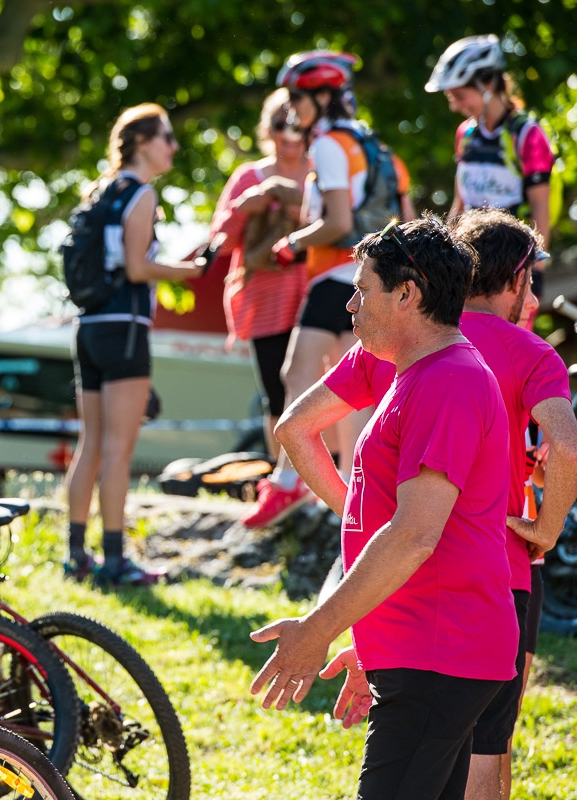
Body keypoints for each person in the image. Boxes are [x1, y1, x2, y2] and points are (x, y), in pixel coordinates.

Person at [277, 208, 577, 800]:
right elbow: (405, 528)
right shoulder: (418, 367)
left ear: (407, 294)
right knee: (472, 770)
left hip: (445, 646)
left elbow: (413, 534)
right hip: (433, 635)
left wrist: (318, 628)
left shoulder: (448, 377)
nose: (350, 307)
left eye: (361, 292)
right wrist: (369, 637)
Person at [242, 51, 416, 529]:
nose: (291, 108)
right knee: (355, 388)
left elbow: (337, 222)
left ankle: (289, 480)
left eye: (297, 98)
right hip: (371, 279)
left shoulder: (328, 147)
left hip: (335, 273)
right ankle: (351, 489)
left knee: (296, 372)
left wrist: (290, 244)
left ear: (321, 97)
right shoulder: (372, 145)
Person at [63, 103, 205, 587]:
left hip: (88, 327)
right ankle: (115, 560)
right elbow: (138, 268)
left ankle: (76, 554)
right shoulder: (141, 194)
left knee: (91, 444)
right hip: (125, 326)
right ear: (143, 143)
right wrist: (191, 271)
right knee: (118, 450)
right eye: (166, 137)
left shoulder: (100, 190)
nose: (173, 146)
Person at [207, 88, 310, 460]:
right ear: (270, 128)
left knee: (323, 389)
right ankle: (280, 474)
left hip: (315, 290)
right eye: (282, 123)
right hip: (265, 298)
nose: (290, 133)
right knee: (277, 392)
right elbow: (219, 240)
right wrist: (245, 207)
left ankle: (329, 479)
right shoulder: (248, 176)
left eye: (298, 123)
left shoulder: (322, 173)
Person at [426, 34, 557, 301]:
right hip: (469, 266)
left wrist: (537, 269)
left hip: (512, 266)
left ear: (487, 84)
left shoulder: (528, 135)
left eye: (460, 96)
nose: (454, 106)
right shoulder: (465, 134)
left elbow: (540, 207)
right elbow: (460, 203)